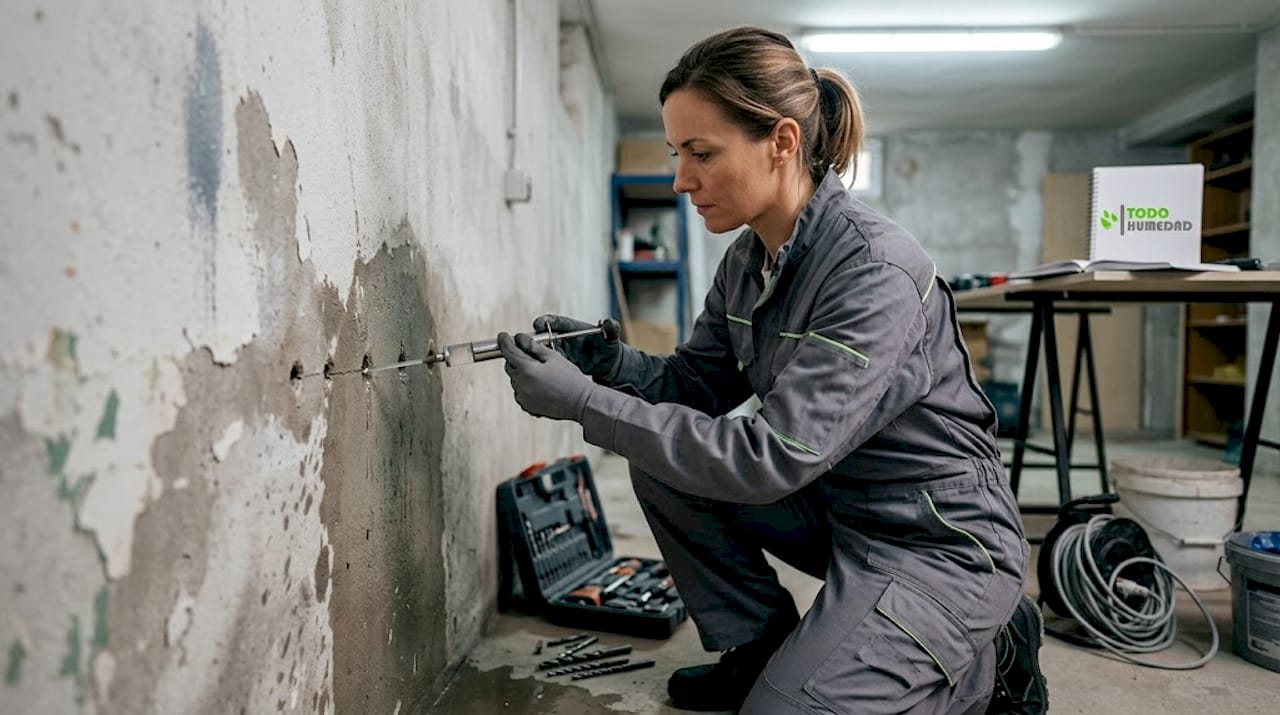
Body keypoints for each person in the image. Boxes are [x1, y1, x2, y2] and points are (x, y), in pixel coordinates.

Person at [498, 25, 1047, 714]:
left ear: (783, 142)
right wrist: (606, 364)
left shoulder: (874, 269)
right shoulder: (748, 259)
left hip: (936, 540)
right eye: (676, 153)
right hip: (839, 508)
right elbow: (691, 390)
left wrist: (584, 404)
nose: (681, 179)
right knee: (663, 457)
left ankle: (989, 660)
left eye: (701, 153)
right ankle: (758, 645)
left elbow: (768, 459)